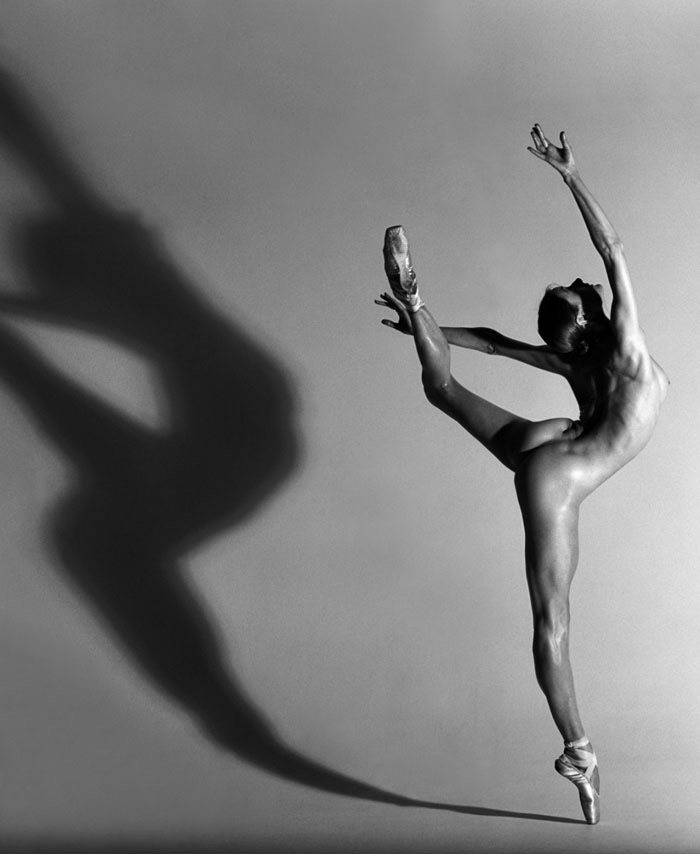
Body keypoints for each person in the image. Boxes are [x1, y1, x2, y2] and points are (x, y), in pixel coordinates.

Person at [376, 125, 669, 824]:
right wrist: (570, 175)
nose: (583, 281)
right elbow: (612, 250)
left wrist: (428, 328)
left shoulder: (577, 358)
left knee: (443, 389)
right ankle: (578, 750)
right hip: (561, 471)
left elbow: (494, 343)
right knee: (552, 624)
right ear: (588, 320)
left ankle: (414, 303)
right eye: (579, 291)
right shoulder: (623, 350)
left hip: (552, 445)